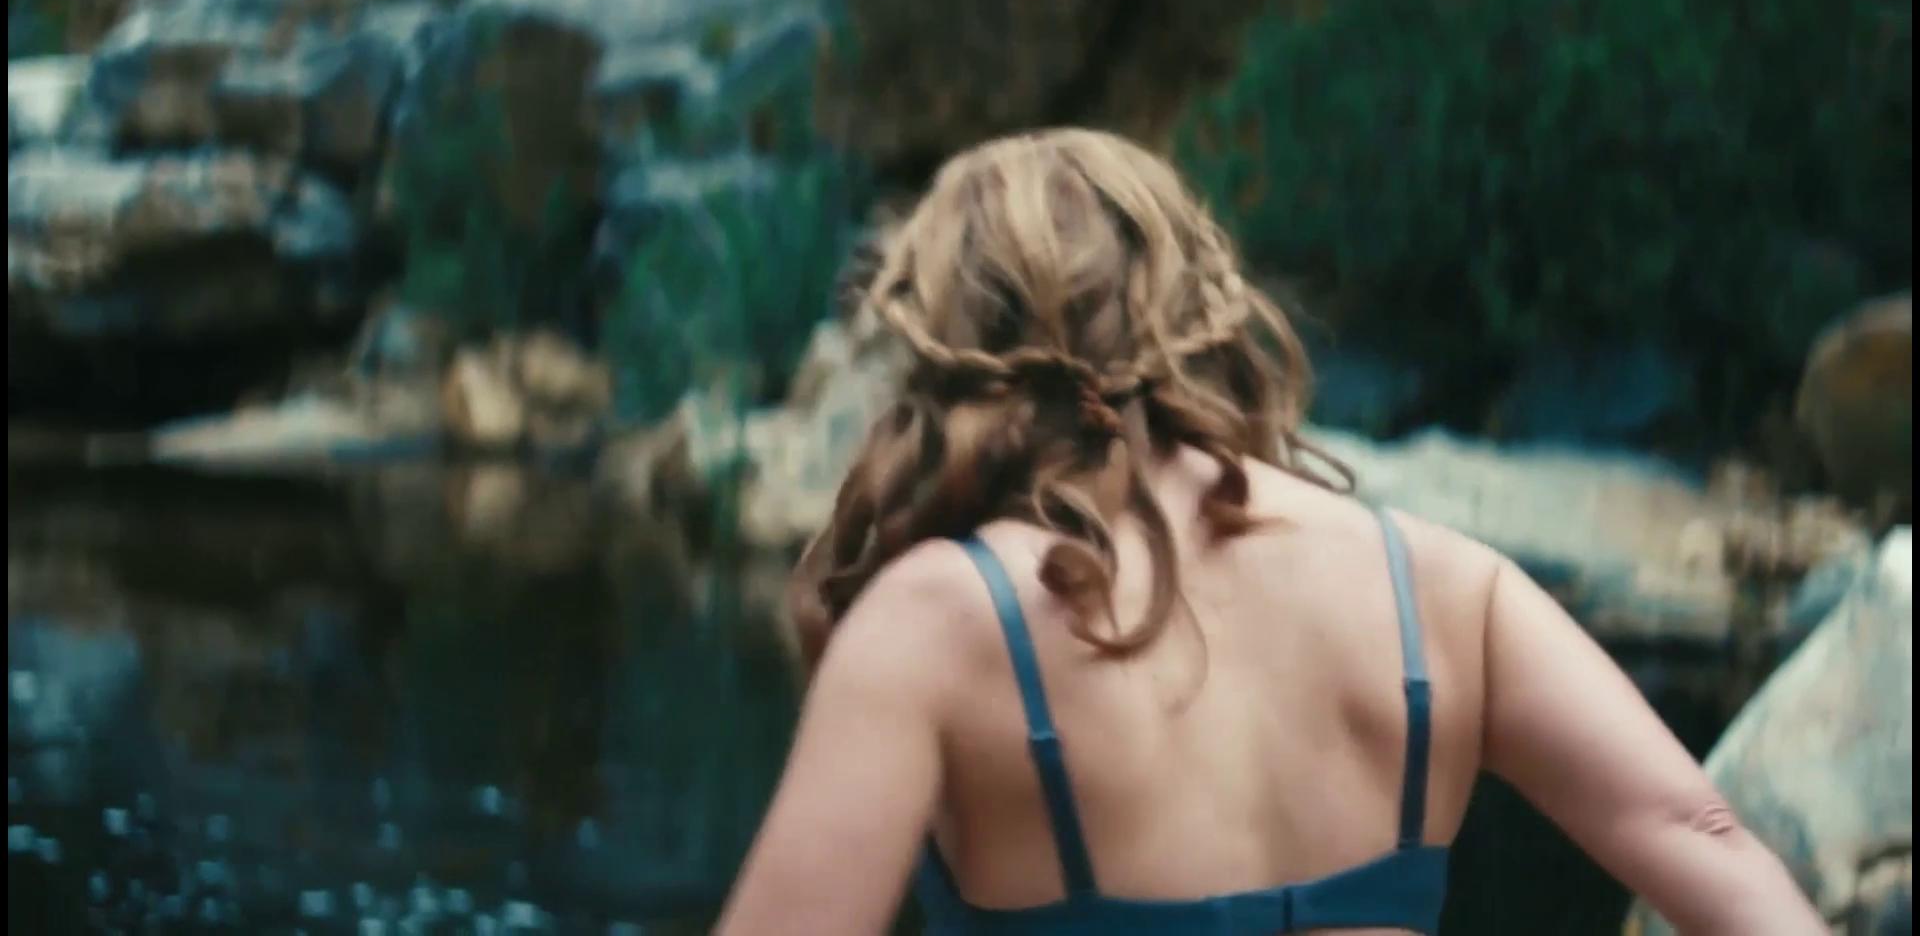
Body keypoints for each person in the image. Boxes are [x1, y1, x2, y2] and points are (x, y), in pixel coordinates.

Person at [714, 129, 1825, 935]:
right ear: (1190, 304)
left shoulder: (939, 624)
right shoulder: (1437, 585)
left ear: (949, 345)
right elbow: (1713, 850)